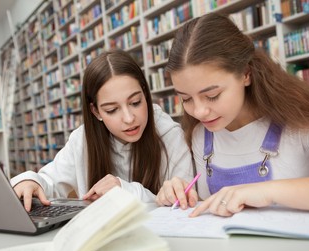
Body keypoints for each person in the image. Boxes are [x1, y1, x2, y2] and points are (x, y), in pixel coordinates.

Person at [156, 12, 309, 217]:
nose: (199, 112)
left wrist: (267, 192)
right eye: (186, 99)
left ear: (246, 74)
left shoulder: (304, 121)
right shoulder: (201, 136)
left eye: (212, 95)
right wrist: (179, 193)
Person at [11, 49, 193, 211]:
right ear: (96, 111)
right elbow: (51, 181)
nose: (129, 118)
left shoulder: (171, 135)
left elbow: (182, 203)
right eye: (112, 110)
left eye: (135, 102)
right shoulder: (82, 140)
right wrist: (31, 180)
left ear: (145, 94)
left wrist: (124, 190)